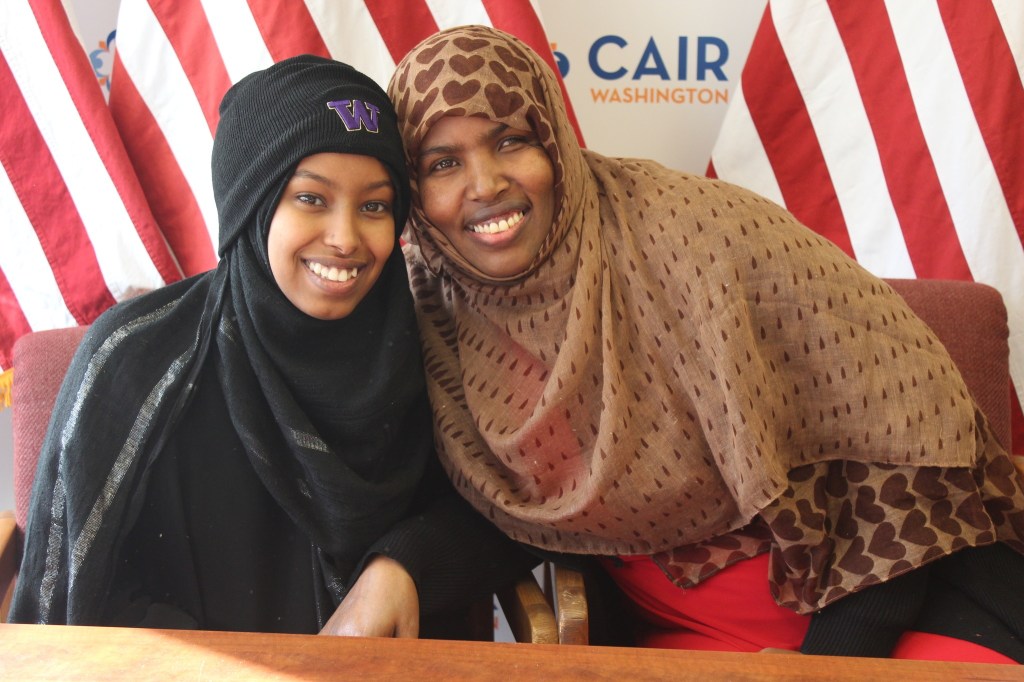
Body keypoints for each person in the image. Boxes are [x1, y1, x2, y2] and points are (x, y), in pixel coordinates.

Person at [387, 25, 1024, 661]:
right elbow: (511, 514)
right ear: (413, 189)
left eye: (511, 140)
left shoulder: (693, 234)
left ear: (553, 141)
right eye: (443, 163)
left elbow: (908, 423)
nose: (487, 183)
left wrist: (830, 664)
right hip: (684, 642)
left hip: (883, 610)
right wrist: (398, 567)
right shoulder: (436, 311)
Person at [10, 54, 535, 637]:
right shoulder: (135, 361)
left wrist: (402, 565)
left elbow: (513, 513)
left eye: (375, 206)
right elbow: (85, 598)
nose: (345, 239)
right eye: (311, 199)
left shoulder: (428, 349)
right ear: (250, 205)